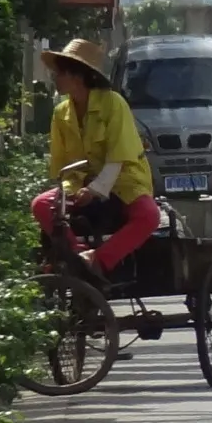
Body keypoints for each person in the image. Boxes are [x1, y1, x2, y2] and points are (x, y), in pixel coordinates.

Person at [33, 37, 161, 275]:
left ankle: (99, 261)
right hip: (79, 185)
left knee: (150, 216)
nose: (55, 78)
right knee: (41, 205)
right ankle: (77, 254)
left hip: (123, 182)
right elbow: (62, 166)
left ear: (78, 76)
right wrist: (70, 191)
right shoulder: (61, 113)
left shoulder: (113, 103)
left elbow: (118, 158)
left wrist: (94, 190)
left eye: (60, 73)